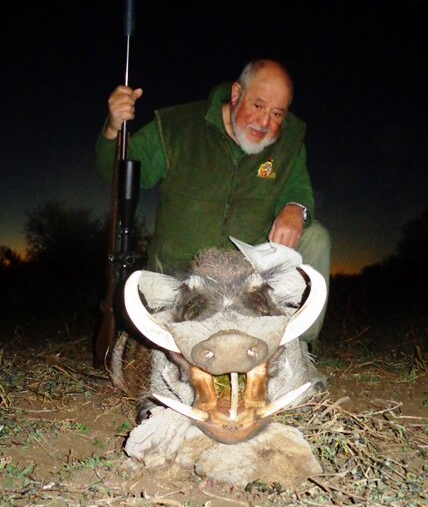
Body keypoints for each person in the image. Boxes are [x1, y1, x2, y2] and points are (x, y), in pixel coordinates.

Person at [96, 59, 331, 340]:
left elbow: (300, 192)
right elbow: (119, 173)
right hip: (181, 277)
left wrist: (296, 208)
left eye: (277, 113)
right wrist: (113, 129)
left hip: (250, 280)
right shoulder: (177, 128)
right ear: (235, 94)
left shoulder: (289, 142)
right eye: (258, 106)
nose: (265, 122)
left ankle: (297, 349)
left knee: (316, 237)